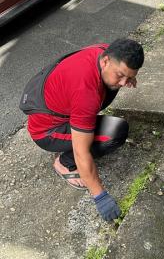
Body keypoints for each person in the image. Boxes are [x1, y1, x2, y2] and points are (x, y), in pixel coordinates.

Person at [23, 39, 144, 222]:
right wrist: (100, 196)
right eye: (120, 75)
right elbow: (82, 151)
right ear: (105, 61)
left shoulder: (105, 52)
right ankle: (63, 163)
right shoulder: (85, 92)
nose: (123, 82)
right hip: (47, 131)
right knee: (115, 133)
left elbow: (116, 76)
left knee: (110, 89)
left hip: (58, 107)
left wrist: (126, 76)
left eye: (129, 77)